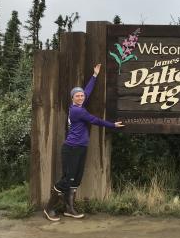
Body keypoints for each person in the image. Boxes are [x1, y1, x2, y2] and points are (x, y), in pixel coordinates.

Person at [43, 63, 124, 221]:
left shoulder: (79, 104)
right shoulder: (77, 111)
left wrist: (94, 75)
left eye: (81, 96)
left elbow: (86, 91)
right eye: (77, 96)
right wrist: (112, 125)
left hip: (80, 148)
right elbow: (94, 120)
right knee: (68, 179)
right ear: (72, 98)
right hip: (72, 148)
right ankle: (49, 208)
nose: (80, 97)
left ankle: (69, 209)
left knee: (76, 178)